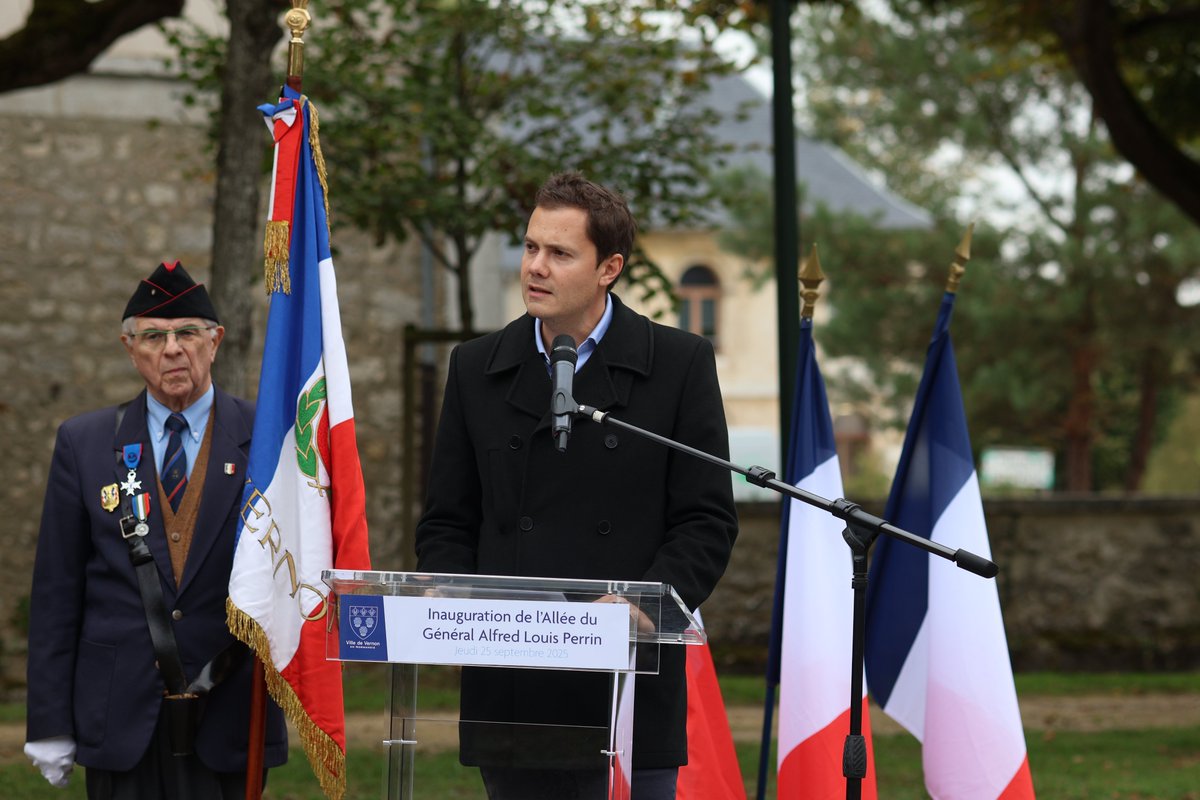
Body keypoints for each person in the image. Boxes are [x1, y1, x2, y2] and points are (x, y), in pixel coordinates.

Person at [415, 173, 738, 799]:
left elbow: (706, 520)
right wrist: (450, 599)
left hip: (627, 684)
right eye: (531, 247)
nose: (535, 267)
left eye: (559, 253)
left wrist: (645, 604)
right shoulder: (476, 367)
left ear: (608, 267)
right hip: (512, 684)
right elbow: (447, 521)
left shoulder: (677, 364)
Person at [25, 261, 287, 799]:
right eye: (154, 336)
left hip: (232, 712)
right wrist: (50, 722)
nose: (173, 349)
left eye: (188, 332)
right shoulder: (85, 443)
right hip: (119, 716)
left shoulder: (267, 441)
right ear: (131, 349)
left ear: (215, 342)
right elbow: (56, 593)